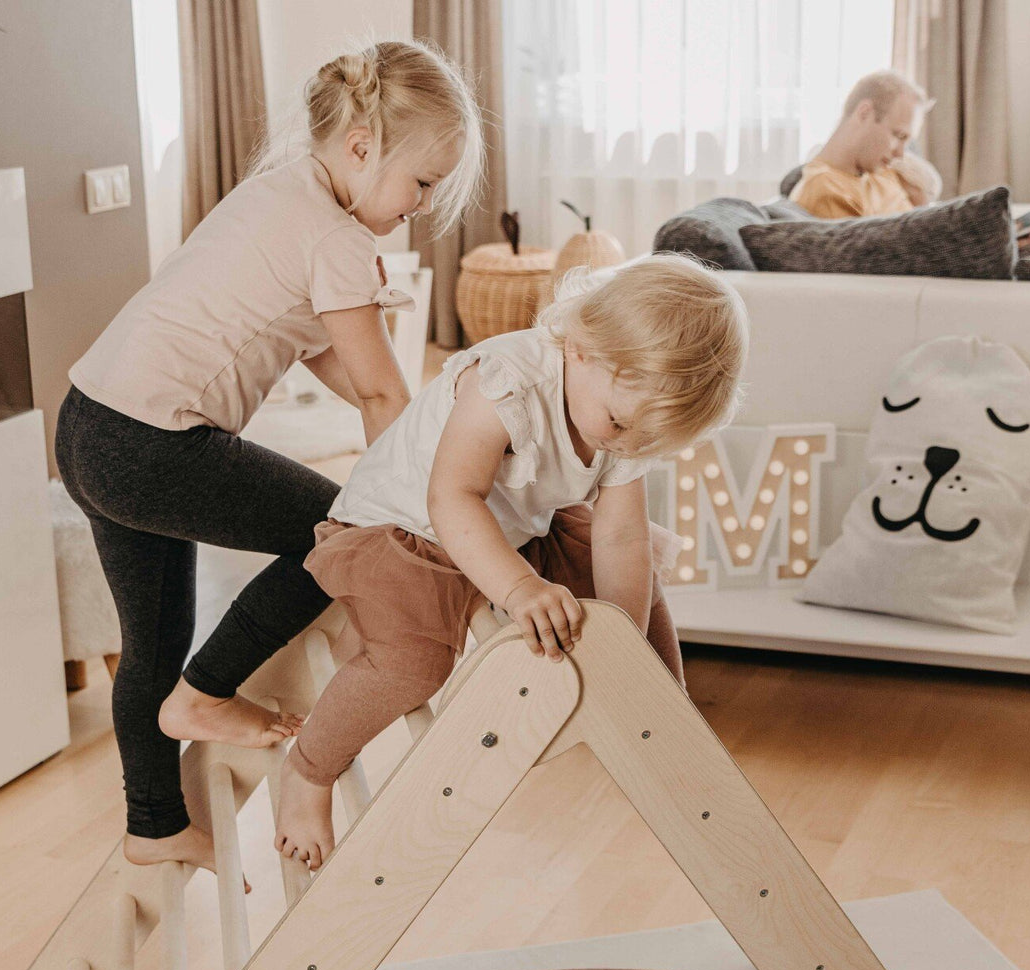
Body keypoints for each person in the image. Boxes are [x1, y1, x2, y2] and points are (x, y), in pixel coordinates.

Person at [54, 40, 484, 880]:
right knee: (336, 537)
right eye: (423, 182)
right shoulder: (336, 239)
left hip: (87, 427)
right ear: (363, 149)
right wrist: (418, 505)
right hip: (154, 443)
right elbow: (380, 397)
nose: (423, 205)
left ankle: (155, 823)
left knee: (151, 639)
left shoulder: (277, 191)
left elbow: (317, 346)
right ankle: (206, 692)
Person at [273, 255, 751, 869]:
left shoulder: (628, 417)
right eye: (621, 426)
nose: (624, 447)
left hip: (512, 526)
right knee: (414, 663)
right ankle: (309, 772)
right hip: (406, 530)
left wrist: (617, 640)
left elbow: (621, 535)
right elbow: (452, 496)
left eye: (645, 441)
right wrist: (521, 589)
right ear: (583, 348)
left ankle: (663, 719)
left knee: (639, 579)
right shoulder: (506, 380)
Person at [791, 69, 940, 219]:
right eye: (898, 135)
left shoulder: (882, 171)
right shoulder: (825, 190)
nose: (900, 154)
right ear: (864, 113)